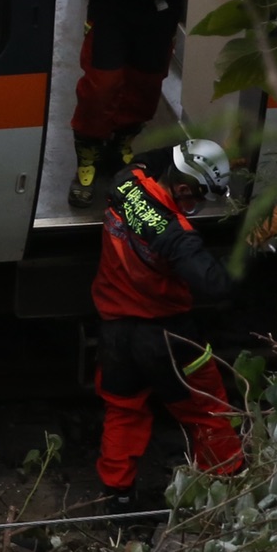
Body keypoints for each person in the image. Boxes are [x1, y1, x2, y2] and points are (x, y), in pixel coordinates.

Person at [56, 0, 257, 207]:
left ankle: (122, 141)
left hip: (162, 6)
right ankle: (88, 157)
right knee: (101, 84)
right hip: (112, 2)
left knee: (147, 82)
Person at [91, 137, 245, 504]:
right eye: (196, 196)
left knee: (123, 411)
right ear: (180, 188)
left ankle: (116, 498)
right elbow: (216, 284)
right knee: (208, 410)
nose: (195, 206)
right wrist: (253, 244)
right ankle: (232, 486)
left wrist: (198, 154)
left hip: (114, 332)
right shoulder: (176, 235)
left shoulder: (125, 182)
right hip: (168, 338)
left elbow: (150, 156)